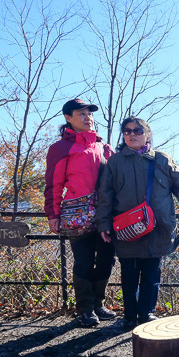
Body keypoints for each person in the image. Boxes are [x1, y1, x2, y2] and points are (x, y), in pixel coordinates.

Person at [96, 116, 179, 328]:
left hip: (157, 226)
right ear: (123, 135)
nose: (132, 134)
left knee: (152, 273)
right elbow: (105, 194)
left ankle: (147, 313)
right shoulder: (115, 162)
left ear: (147, 135)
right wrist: (103, 223)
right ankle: (130, 316)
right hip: (126, 228)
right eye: (127, 131)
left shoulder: (162, 159)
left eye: (138, 131)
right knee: (129, 274)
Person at [44, 99, 117, 327]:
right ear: (68, 118)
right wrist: (53, 214)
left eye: (89, 114)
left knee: (107, 259)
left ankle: (98, 303)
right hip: (77, 213)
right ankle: (85, 308)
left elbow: (116, 180)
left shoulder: (102, 146)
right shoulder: (61, 148)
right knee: (84, 261)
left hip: (106, 212)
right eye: (81, 113)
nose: (88, 117)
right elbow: (53, 185)